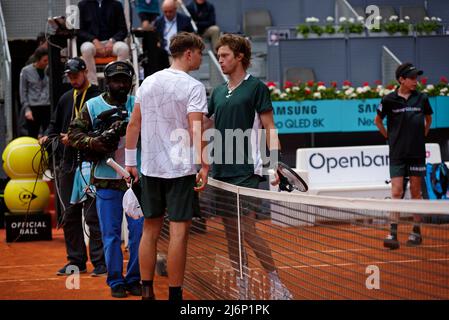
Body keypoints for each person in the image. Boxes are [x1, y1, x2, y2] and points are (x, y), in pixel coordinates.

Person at [205, 33, 293, 300]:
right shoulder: (218, 92)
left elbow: (269, 127)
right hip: (221, 172)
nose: (220, 60)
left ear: (239, 56)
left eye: (225, 56)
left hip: (246, 171)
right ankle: (243, 287)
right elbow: (208, 126)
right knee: (231, 234)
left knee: (248, 230)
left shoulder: (256, 88)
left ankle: (277, 285)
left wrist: (275, 163)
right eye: (218, 56)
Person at [125, 32, 209, 301]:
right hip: (180, 169)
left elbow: (133, 124)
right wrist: (204, 165)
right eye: (199, 53)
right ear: (188, 53)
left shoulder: (147, 82)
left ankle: (147, 291)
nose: (201, 58)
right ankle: (175, 295)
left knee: (150, 229)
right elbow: (195, 128)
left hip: (149, 167)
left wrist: (130, 163)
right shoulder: (193, 86)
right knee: (179, 232)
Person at [68, 60, 144, 298]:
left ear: (131, 83)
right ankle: (115, 281)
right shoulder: (92, 106)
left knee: (139, 234)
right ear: (107, 82)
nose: (120, 85)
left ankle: (134, 278)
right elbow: (73, 134)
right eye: (115, 81)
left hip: (136, 179)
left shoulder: (138, 105)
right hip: (105, 178)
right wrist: (95, 142)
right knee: (110, 234)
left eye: (124, 81)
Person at [39, 57, 106, 277]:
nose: (73, 79)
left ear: (85, 72)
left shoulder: (98, 96)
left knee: (92, 214)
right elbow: (53, 125)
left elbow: (103, 130)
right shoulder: (66, 98)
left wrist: (76, 138)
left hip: (91, 162)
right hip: (68, 164)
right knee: (69, 214)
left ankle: (100, 262)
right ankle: (75, 261)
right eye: (69, 76)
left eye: (75, 75)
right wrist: (47, 138)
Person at [375, 63, 433, 250]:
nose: (416, 81)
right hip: (397, 154)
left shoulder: (422, 98)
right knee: (396, 192)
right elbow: (378, 121)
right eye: (412, 78)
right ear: (401, 79)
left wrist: (421, 136)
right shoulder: (389, 100)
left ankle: (416, 232)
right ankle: (393, 233)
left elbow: (428, 119)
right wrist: (389, 137)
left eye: (417, 78)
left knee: (416, 193)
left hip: (416, 154)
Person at [77, 0, 130, 85]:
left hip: (112, 43)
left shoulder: (116, 5)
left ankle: (118, 82)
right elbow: (79, 31)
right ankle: (92, 85)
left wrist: (112, 40)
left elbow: (123, 30)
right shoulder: (82, 5)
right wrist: (94, 40)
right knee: (86, 49)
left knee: (123, 48)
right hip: (91, 43)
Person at [19, 47, 50, 138]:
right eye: (45, 60)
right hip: (33, 107)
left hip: (47, 106)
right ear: (38, 60)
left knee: (48, 134)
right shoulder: (26, 71)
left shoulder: (49, 70)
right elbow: (23, 91)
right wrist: (27, 109)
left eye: (48, 60)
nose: (47, 62)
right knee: (32, 135)